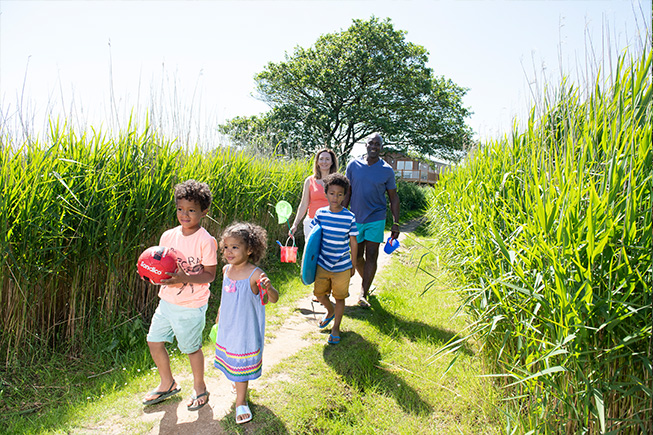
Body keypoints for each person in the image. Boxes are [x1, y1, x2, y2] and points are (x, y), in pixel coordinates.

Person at [142, 179, 218, 412]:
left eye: (191, 210)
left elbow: (210, 275)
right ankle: (168, 383)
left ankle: (200, 388)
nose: (184, 215)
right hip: (166, 301)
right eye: (180, 209)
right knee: (153, 341)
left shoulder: (206, 240)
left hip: (191, 305)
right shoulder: (167, 236)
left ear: (204, 212)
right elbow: (161, 265)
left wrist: (184, 278)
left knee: (191, 348)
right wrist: (151, 274)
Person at [213, 222, 279, 424]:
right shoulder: (226, 270)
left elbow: (274, 299)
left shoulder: (256, 274)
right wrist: (218, 316)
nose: (228, 252)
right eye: (226, 247)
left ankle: (241, 401)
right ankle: (238, 384)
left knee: (241, 362)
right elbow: (225, 298)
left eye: (235, 247)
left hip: (245, 328)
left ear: (250, 249)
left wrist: (268, 288)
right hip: (228, 325)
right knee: (233, 362)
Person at [344, 133, 400, 308]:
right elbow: (347, 192)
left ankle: (363, 293)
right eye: (371, 143)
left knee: (372, 255)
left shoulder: (387, 170)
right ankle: (366, 282)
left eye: (378, 144)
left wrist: (396, 222)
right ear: (366, 145)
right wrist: (342, 215)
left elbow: (393, 197)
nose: (374, 146)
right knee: (357, 256)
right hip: (355, 218)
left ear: (381, 147)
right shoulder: (353, 166)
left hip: (376, 218)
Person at [311, 173, 358, 345]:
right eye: (332, 193)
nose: (335, 197)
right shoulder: (320, 214)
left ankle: (336, 327)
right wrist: (309, 262)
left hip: (342, 266)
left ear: (345, 195)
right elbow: (313, 240)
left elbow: (353, 241)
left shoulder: (349, 217)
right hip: (323, 263)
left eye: (339, 194)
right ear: (326, 193)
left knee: (340, 297)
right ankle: (329, 311)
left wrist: (353, 264)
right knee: (319, 294)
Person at [289, 148, 339, 240]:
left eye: (327, 159)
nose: (324, 162)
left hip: (331, 222)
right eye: (321, 159)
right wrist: (295, 224)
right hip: (312, 222)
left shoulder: (337, 181)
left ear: (332, 162)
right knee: (312, 253)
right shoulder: (309, 181)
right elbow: (304, 204)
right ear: (317, 162)